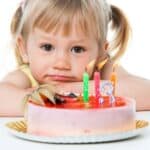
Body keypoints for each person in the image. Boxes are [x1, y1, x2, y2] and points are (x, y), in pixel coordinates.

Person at [0, 0, 150, 116]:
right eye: (47, 47)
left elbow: (146, 92)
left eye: (77, 49)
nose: (61, 63)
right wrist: (48, 96)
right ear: (24, 48)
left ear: (100, 53)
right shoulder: (26, 77)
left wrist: (68, 90)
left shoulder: (101, 70)